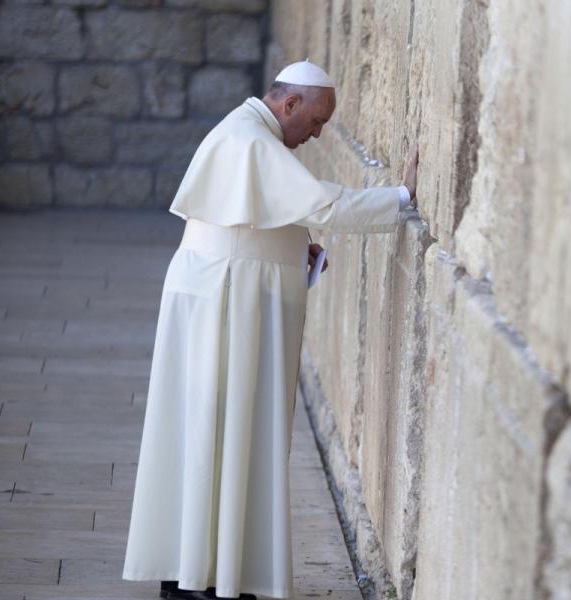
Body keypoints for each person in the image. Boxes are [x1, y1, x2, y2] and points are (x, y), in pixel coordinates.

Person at [120, 60, 419, 600]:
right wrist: (401, 199)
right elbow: (323, 203)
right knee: (220, 432)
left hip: (223, 296)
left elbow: (248, 218)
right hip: (226, 305)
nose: (319, 133)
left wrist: (288, 242)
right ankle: (203, 579)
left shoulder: (248, 131)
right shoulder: (252, 141)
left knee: (217, 434)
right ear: (290, 105)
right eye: (316, 121)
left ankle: (208, 572)